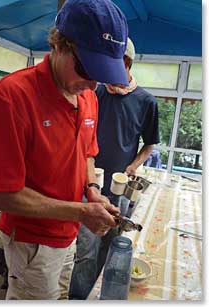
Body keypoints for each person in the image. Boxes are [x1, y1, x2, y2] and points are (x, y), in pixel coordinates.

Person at [0, 0, 129, 300]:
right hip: (32, 243)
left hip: (68, 232)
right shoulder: (9, 98)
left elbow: (87, 151)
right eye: (87, 68)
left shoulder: (88, 97)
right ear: (60, 43)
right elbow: (0, 194)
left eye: (102, 73)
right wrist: (82, 211)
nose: (91, 82)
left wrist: (92, 189)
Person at [69, 37, 160, 299]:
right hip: (89, 187)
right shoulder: (93, 93)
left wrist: (132, 166)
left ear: (128, 63)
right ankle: (78, 298)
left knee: (112, 249)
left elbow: (149, 145)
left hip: (119, 191)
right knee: (86, 252)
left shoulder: (146, 102)